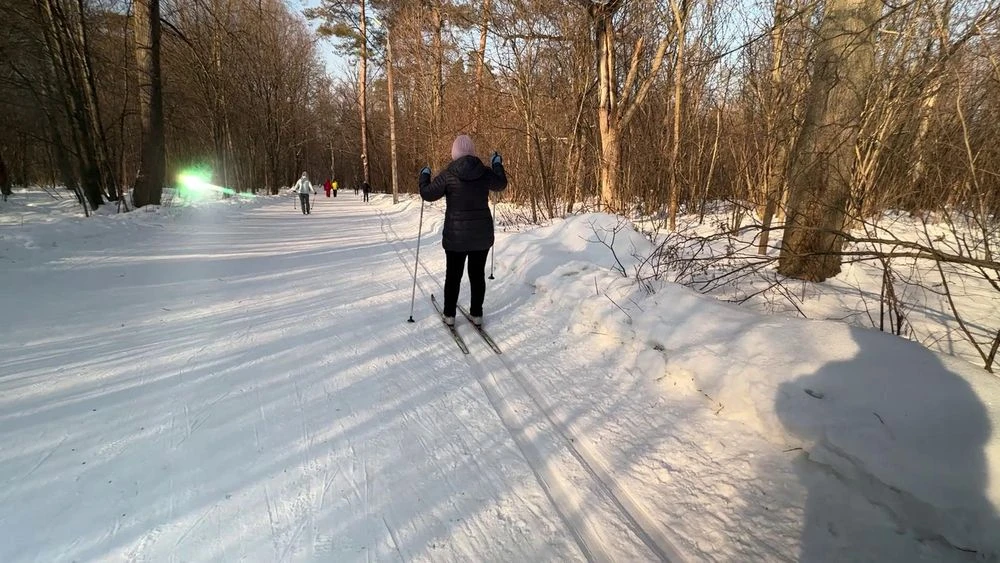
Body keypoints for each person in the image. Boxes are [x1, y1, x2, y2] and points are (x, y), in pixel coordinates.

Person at [419, 134, 506, 327]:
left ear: (454, 153)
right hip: (481, 236)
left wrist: (424, 175)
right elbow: (501, 184)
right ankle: (477, 314)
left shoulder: (448, 175)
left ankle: (449, 315)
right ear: (472, 152)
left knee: (453, 276)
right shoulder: (484, 172)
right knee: (477, 275)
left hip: (456, 237)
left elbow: (427, 194)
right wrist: (497, 164)